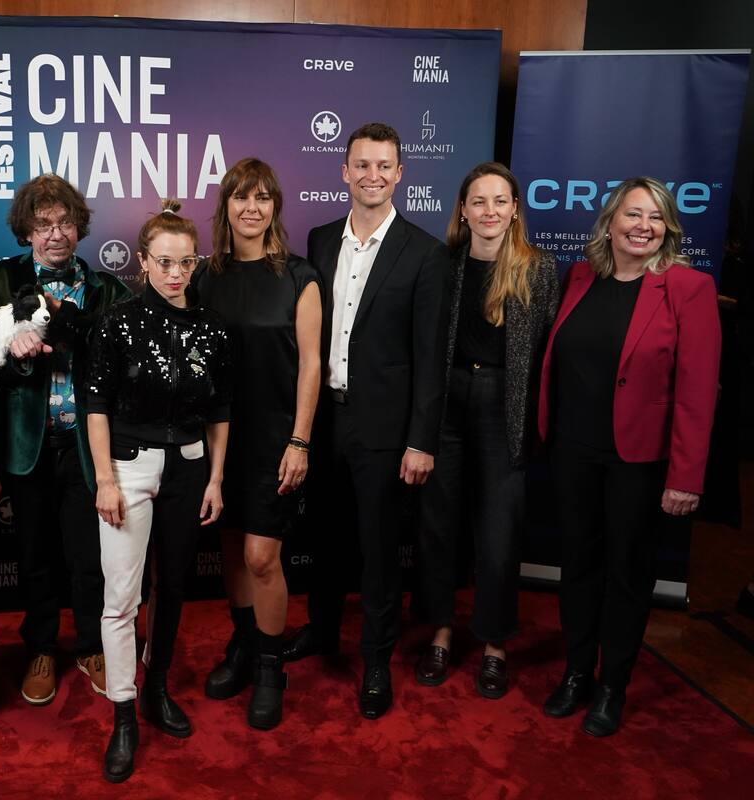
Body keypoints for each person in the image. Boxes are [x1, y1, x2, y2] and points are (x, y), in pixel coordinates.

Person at [538, 177, 720, 736]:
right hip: (572, 451)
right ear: (610, 223)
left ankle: (612, 684)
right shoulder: (579, 277)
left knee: (627, 574)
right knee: (579, 566)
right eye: (633, 215)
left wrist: (685, 477)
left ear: (667, 228)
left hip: (638, 461)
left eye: (656, 217)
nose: (644, 226)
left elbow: (697, 390)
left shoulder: (688, 288)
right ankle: (576, 672)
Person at [283, 122, 450, 721]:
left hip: (385, 430)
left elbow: (431, 360)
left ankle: (376, 658)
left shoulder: (426, 252)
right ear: (344, 172)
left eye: (384, 166)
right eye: (362, 165)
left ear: (400, 174)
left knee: (379, 549)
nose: (372, 175)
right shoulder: (320, 238)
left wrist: (420, 440)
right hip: (325, 417)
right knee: (324, 537)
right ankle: (322, 632)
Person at [85, 200, 231, 782]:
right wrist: (103, 479)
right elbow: (95, 404)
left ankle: (157, 688)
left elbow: (220, 409)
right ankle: (124, 714)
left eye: (186, 262)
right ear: (142, 262)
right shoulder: (117, 321)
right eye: (164, 262)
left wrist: (216, 477)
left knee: (172, 587)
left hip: (191, 467)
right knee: (121, 596)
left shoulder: (214, 327)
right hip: (128, 468)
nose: (175, 273)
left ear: (196, 263)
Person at [0, 174, 129, 704]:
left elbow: (115, 358)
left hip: (88, 451)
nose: (56, 234)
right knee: (35, 553)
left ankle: (91, 646)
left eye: (65, 222)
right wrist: (11, 353)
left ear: (80, 227)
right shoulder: (2, 279)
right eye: (43, 225)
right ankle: (40, 646)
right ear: (26, 232)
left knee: (89, 556)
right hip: (27, 444)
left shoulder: (106, 288)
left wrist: (65, 325)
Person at [412, 162, 560, 698]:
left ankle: (494, 644)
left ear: (515, 209)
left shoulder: (539, 270)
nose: (490, 211)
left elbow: (548, 355)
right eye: (479, 201)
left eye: (501, 201)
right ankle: (442, 632)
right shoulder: (444, 263)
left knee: (499, 534)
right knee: (439, 525)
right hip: (446, 402)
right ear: (463, 210)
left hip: (506, 407)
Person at [193, 158, 321, 729]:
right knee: (229, 550)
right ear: (226, 207)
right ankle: (244, 647)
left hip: (277, 438)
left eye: (263, 197)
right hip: (220, 439)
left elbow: (312, 366)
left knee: (260, 556)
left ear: (275, 207)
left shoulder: (300, 276)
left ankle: (272, 668)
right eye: (241, 197)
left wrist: (300, 440)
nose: (252, 207)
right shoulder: (206, 277)